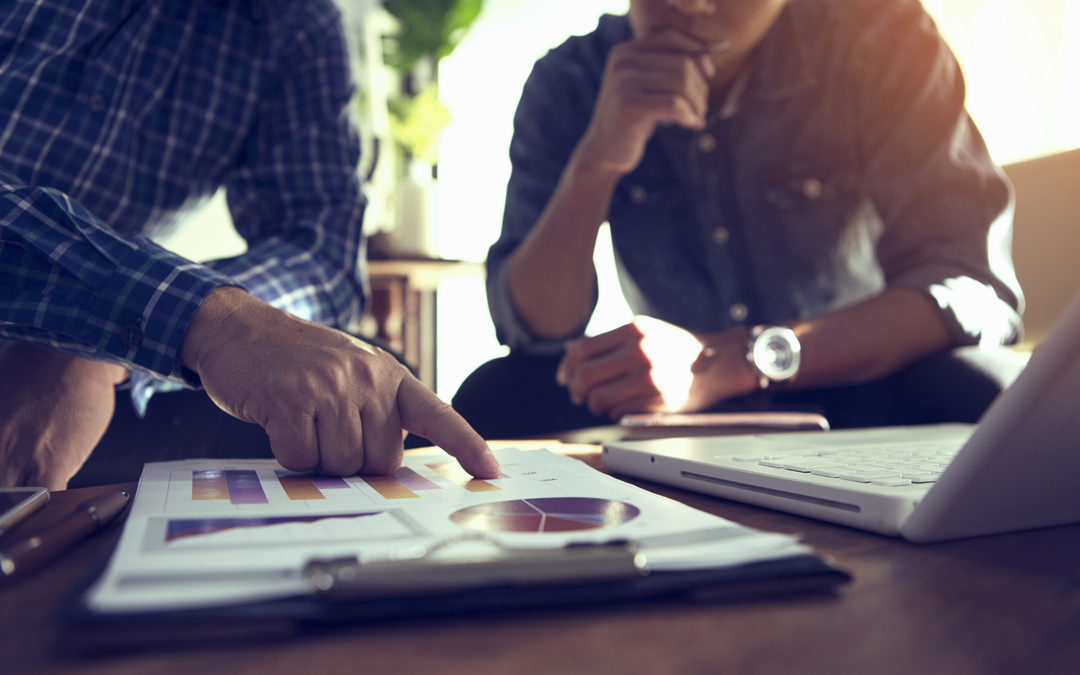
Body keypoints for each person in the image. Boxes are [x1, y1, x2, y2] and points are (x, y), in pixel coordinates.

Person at [452, 0, 1028, 438]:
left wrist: (729, 362)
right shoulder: (569, 80)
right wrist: (598, 159)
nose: (693, 3)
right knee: (496, 396)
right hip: (671, 403)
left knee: (990, 387)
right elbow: (534, 328)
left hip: (857, 379)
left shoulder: (878, 37)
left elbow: (971, 288)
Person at [0, 0, 499, 490]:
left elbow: (320, 253)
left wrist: (102, 340)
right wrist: (188, 319)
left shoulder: (294, 25)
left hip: (93, 385)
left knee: (363, 397)